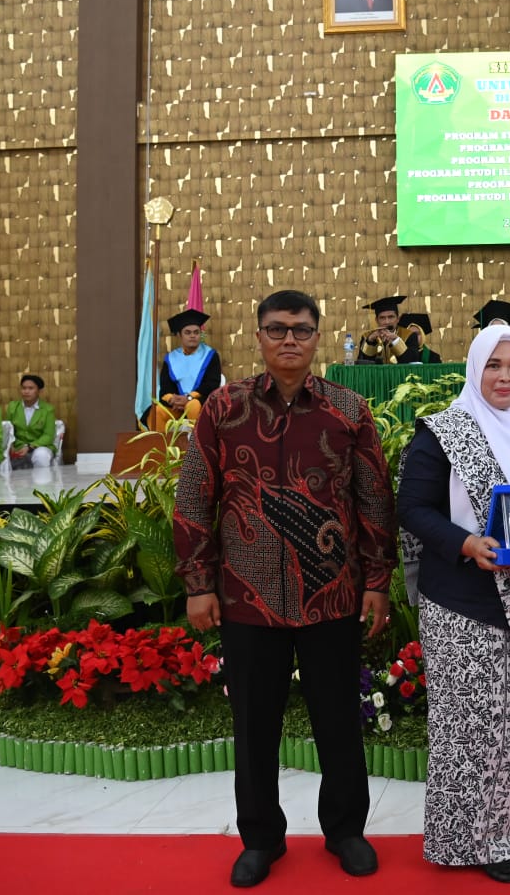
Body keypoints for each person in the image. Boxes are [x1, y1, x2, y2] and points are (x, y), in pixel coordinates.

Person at [174, 289, 394, 889]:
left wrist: (377, 579)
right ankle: (262, 839)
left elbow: (373, 498)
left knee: (338, 721)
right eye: (277, 330)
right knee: (254, 724)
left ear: (318, 336)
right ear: (260, 337)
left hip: (332, 595)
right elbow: (195, 494)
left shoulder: (348, 410)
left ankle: (345, 830)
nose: (289, 340)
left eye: (300, 330)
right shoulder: (223, 409)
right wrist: (198, 582)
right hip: (247, 597)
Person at [396, 323, 510, 884]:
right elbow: (413, 508)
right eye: (493, 366)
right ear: (475, 369)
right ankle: (471, 839)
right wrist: (467, 544)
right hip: (462, 597)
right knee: (469, 723)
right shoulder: (445, 430)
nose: (505, 377)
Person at [147, 309, 222, 431]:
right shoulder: (171, 358)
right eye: (187, 332)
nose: (192, 336)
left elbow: (211, 384)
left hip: (201, 401)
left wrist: (189, 398)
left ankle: (196, 447)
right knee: (157, 411)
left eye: (196, 332)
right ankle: (163, 448)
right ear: (179, 335)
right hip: (176, 405)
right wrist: (173, 399)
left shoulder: (210, 355)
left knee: (193, 406)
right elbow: (166, 386)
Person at [6, 374, 57, 468]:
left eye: (30, 388)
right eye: (24, 388)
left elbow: (48, 435)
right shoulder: (12, 407)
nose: (26, 391)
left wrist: (29, 447)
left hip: (40, 446)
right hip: (18, 447)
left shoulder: (47, 409)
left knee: (41, 455)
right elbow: (8, 430)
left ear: (39, 391)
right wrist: (11, 445)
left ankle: (41, 482)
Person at [357, 295, 411, 364]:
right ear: (376, 320)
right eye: (382, 318)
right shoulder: (367, 336)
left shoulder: (409, 335)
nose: (387, 322)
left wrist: (396, 341)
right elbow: (361, 363)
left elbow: (411, 361)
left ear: (398, 319)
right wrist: (370, 341)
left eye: (391, 317)